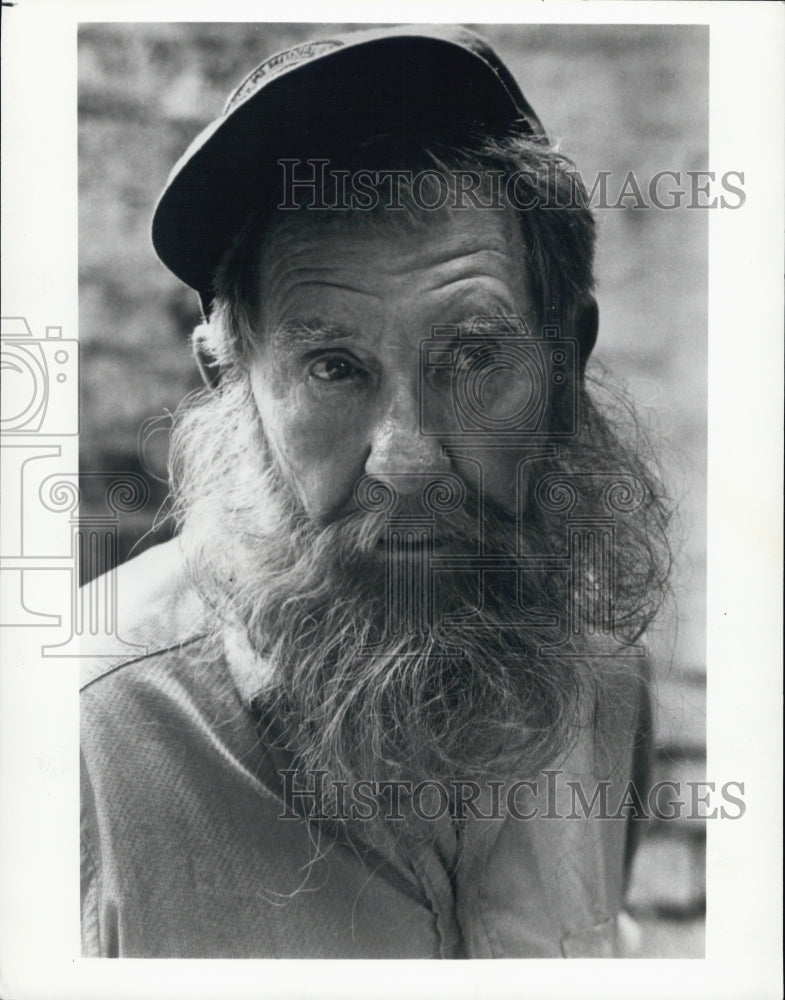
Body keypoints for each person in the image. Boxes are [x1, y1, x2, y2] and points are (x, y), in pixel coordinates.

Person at [80, 24, 672, 958]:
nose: (405, 461)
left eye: (473, 356)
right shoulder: (73, 741)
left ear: (567, 356)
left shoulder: (602, 687)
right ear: (230, 378)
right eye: (332, 366)